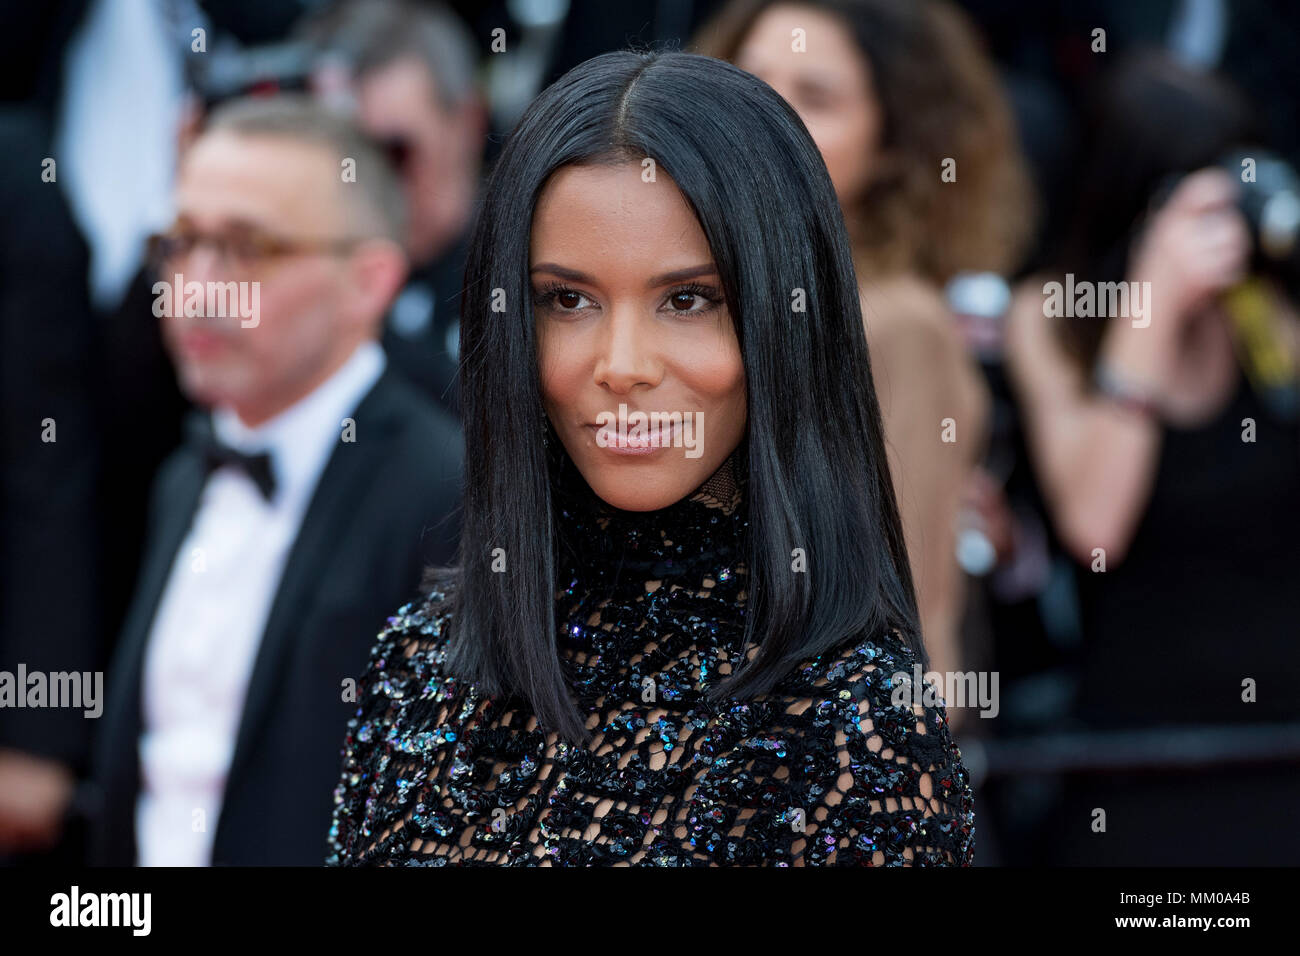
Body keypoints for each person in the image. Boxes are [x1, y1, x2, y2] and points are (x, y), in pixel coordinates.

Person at [327, 50, 973, 866]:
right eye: (569, 300)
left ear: (783, 322)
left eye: (687, 300)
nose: (621, 363)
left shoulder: (853, 725)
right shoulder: (416, 668)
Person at [87, 95, 463, 866]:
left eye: (247, 248)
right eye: (181, 242)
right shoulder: (183, 479)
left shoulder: (448, 496)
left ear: (369, 282)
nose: (194, 287)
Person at [1003, 54, 1300, 864]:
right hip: (1139, 751)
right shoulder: (1054, 316)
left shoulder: (1266, 307)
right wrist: (1152, 306)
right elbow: (1096, 529)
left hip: (1281, 736)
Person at [695, 0, 1035, 698]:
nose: (768, 121)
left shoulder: (897, 324)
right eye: (750, 83)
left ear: (891, 149)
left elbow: (916, 617)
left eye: (814, 98)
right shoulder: (699, 293)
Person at [298, 0, 488, 417]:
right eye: (345, 158)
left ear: (469, 123)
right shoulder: (300, 285)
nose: (370, 182)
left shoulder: (531, 273)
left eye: (394, 153)